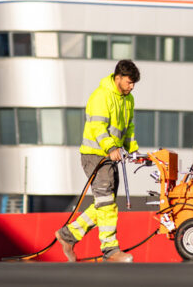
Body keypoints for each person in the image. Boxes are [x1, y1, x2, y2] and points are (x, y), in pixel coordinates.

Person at [55, 60, 141, 263]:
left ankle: (68, 235)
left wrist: (132, 151)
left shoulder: (128, 99)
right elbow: (97, 128)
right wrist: (111, 148)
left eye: (133, 83)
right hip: (95, 156)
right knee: (107, 203)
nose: (132, 86)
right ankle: (110, 250)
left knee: (103, 203)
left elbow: (128, 129)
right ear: (118, 77)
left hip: (110, 157)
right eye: (129, 82)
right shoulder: (101, 96)